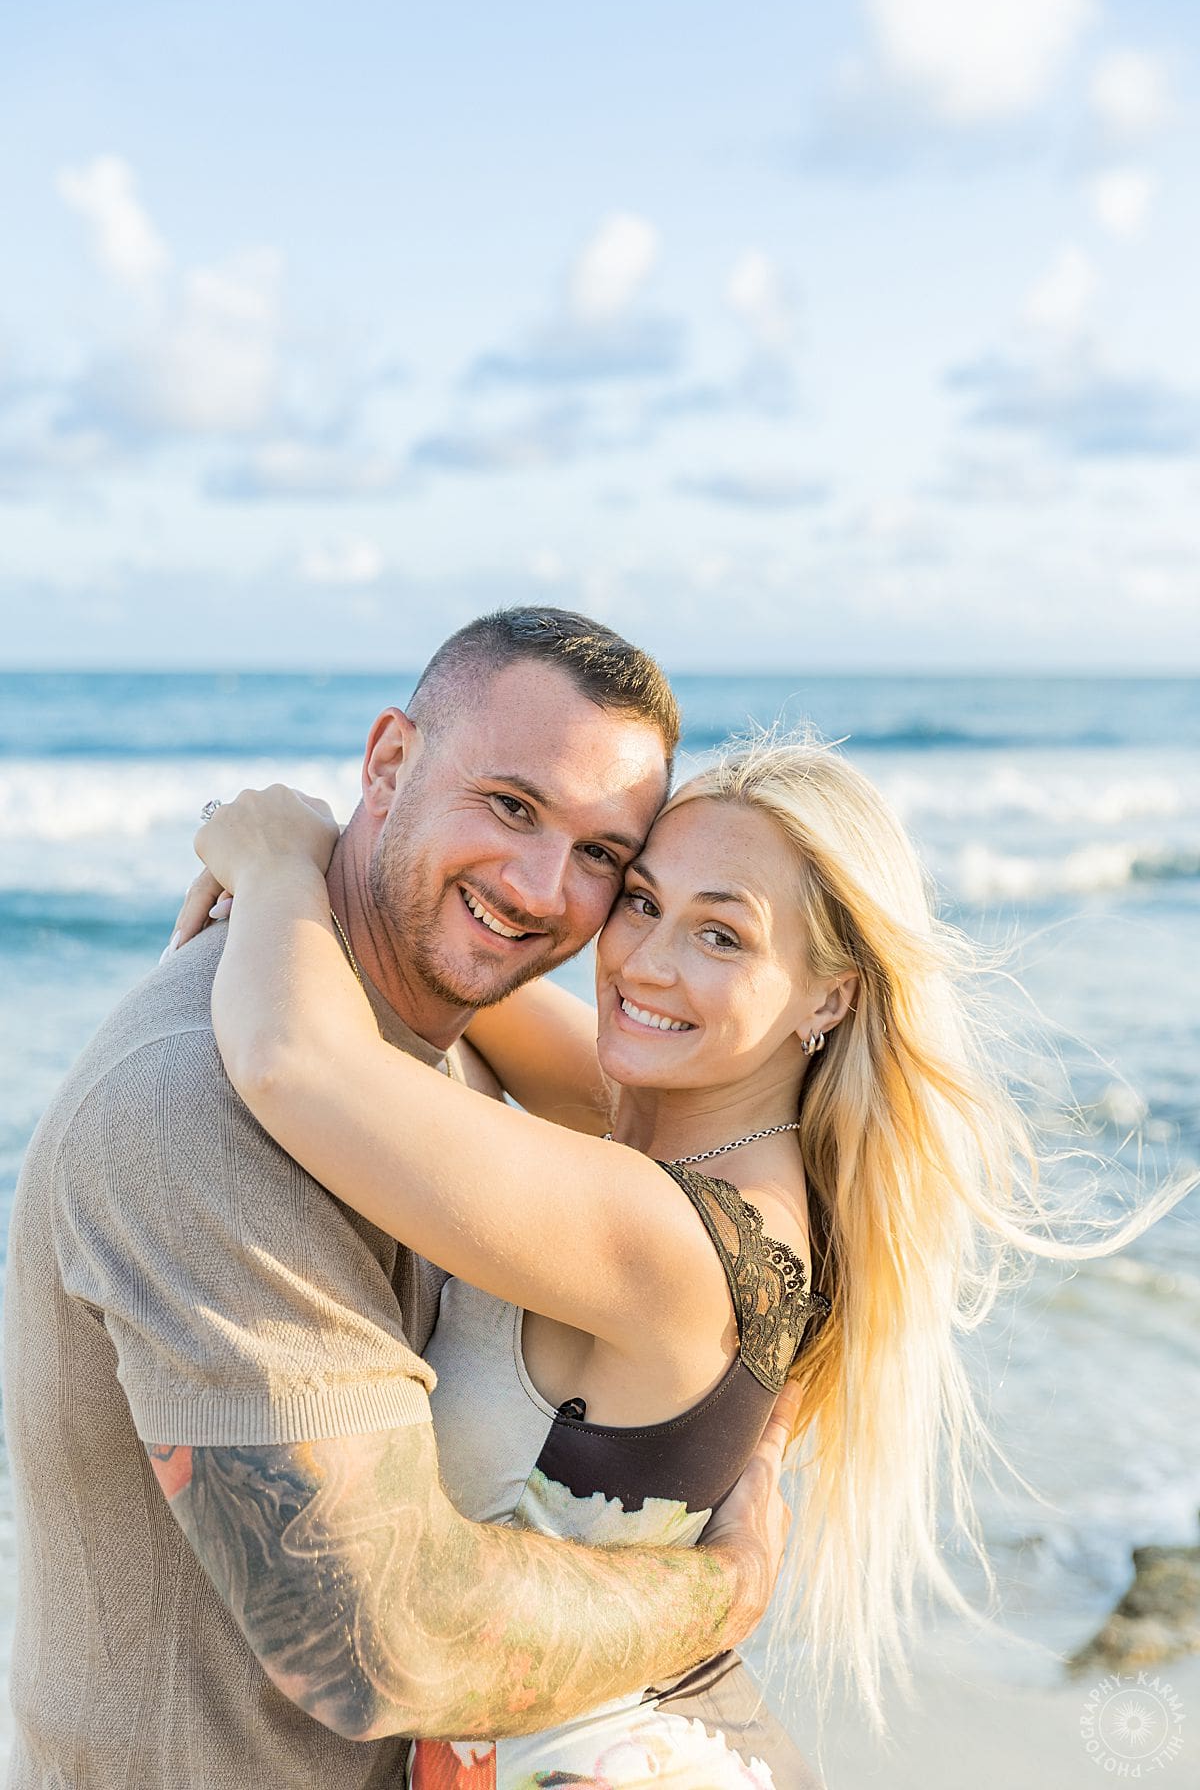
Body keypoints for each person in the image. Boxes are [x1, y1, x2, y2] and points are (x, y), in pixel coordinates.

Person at [181, 729, 1196, 1786]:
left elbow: (295, 1062)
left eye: (723, 937)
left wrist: (273, 858)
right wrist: (363, 843)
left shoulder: (667, 1235)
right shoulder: (697, 1137)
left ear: (828, 996)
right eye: (641, 901)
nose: (644, 964)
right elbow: (449, 965)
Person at [2, 609, 808, 1790]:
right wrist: (723, 1589)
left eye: (602, 858)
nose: (542, 888)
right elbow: (377, 1648)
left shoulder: (441, 1045)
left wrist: (286, 862)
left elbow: (678, 1083)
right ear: (387, 762)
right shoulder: (198, 1116)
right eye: (511, 805)